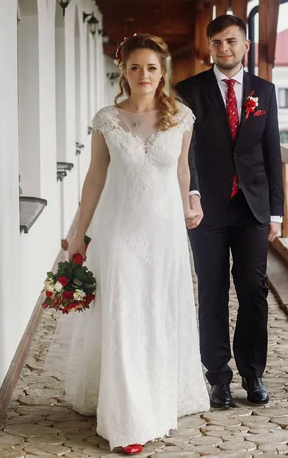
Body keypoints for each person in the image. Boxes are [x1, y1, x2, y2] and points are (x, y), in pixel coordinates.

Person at [50, 34, 209, 455]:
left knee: (156, 314)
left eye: (152, 68)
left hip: (165, 234)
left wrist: (188, 208)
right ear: (124, 70)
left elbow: (181, 174)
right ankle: (128, 420)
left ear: (163, 73)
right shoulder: (107, 119)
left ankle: (158, 399)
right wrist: (78, 236)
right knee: (122, 315)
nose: (143, 75)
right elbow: (95, 179)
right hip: (117, 230)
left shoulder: (181, 118)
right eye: (135, 67)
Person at [175, 14, 284, 409]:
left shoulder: (265, 92)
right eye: (217, 42)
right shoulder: (187, 91)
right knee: (212, 290)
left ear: (246, 45)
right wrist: (191, 194)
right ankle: (217, 377)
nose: (224, 48)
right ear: (209, 47)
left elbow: (271, 153)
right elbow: (184, 152)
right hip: (206, 209)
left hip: (253, 208)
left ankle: (253, 373)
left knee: (254, 292)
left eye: (232, 41)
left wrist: (277, 212)